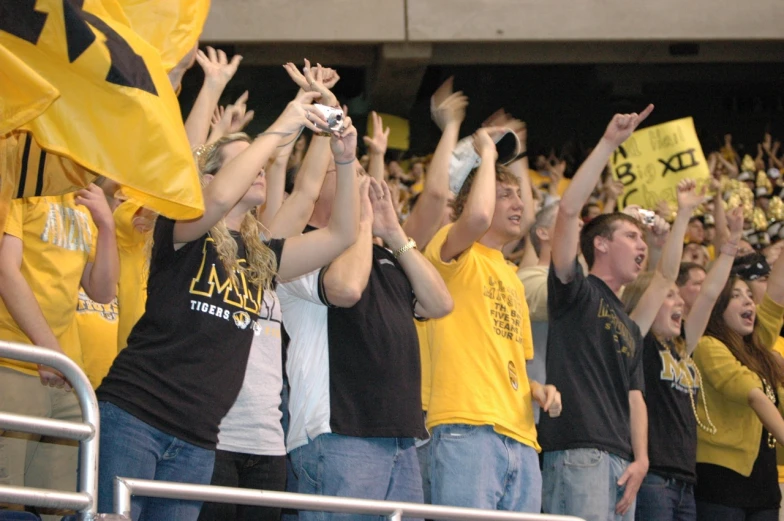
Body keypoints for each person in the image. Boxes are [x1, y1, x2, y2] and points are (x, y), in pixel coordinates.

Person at [95, 93, 360, 521]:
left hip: (199, 435)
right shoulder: (178, 226)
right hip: (135, 413)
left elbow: (343, 234)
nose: (258, 169)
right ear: (212, 176)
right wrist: (280, 126)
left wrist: (345, 162)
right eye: (244, 162)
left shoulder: (261, 256)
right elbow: (217, 200)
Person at [424, 129, 559, 513]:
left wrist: (536, 389)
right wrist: (485, 155)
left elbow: (510, 361)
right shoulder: (451, 247)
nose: (518, 203)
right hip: (466, 425)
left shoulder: (512, 275)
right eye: (505, 194)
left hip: (521, 434)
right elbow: (478, 216)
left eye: (518, 194)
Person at [539, 104, 654, 520]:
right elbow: (568, 212)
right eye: (631, 235)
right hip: (578, 451)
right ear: (600, 244)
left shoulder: (630, 324)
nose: (642, 246)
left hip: (623, 464)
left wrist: (641, 460)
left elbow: (636, 395)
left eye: (643, 238)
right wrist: (608, 144)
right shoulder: (577, 291)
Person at [622, 196, 744, 521]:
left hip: (686, 482)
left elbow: (709, 294)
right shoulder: (640, 339)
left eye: (679, 295)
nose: (679, 302)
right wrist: (684, 215)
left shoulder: (683, 346)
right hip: (652, 477)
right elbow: (664, 275)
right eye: (670, 296)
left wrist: (731, 243)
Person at [692, 242, 784, 520]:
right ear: (718, 307)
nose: (749, 301)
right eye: (736, 295)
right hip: (721, 483)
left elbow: (776, 297)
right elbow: (753, 394)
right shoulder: (707, 345)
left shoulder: (757, 347)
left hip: (764, 484)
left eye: (749, 295)